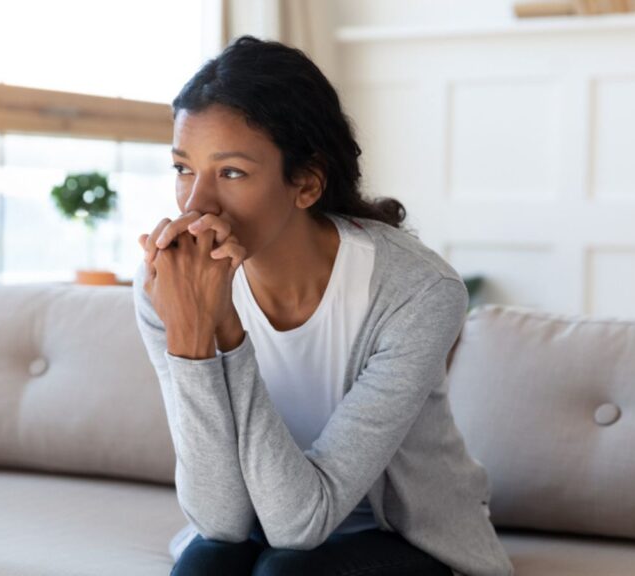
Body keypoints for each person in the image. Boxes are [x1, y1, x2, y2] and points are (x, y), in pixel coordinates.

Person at [131, 35, 514, 576]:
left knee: (285, 571)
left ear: (306, 183)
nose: (196, 205)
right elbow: (218, 520)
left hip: (401, 539)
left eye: (232, 172)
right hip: (264, 531)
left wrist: (226, 334)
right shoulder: (166, 283)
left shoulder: (416, 292)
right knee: (205, 565)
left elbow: (298, 526)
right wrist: (192, 340)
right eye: (183, 168)